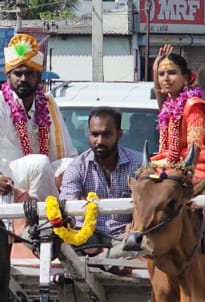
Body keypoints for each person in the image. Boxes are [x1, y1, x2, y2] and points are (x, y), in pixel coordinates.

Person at [0, 33, 72, 201]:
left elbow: (69, 152)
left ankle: (66, 216)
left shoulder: (48, 103)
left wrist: (71, 171)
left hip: (39, 174)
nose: (23, 79)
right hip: (0, 176)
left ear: (39, 77)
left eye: (29, 74)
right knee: (39, 164)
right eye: (17, 74)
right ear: (8, 76)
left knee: (73, 166)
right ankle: (42, 222)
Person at [57, 107, 143, 255]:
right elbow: (68, 207)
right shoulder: (77, 166)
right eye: (94, 134)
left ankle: (108, 259)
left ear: (119, 134)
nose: (100, 141)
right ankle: (106, 260)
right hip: (87, 241)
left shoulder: (140, 164)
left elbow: (149, 205)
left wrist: (136, 225)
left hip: (127, 238)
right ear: (88, 135)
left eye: (106, 134)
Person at [150, 44, 205, 195]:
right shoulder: (169, 106)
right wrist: (156, 67)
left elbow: (195, 146)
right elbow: (160, 96)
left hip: (201, 166)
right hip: (170, 165)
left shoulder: (194, 106)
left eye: (172, 73)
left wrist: (187, 174)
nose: (166, 79)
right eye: (162, 74)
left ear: (186, 77)